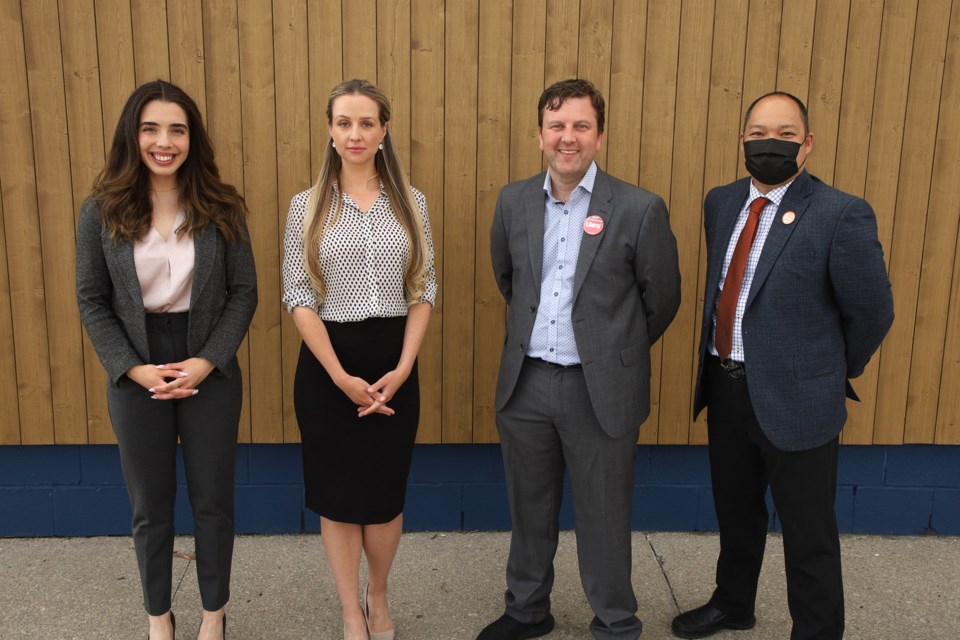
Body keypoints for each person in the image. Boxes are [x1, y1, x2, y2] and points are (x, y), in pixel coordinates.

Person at [672, 92, 894, 640]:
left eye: (786, 134)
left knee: (808, 532)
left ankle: (817, 631)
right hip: (727, 387)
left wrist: (828, 370)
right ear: (742, 140)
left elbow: (872, 311)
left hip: (801, 401)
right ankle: (733, 604)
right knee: (737, 515)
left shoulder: (841, 213)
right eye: (758, 132)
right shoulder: (721, 202)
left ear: (808, 143)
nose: (770, 143)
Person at [478, 78, 681, 640]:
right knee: (529, 510)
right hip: (526, 384)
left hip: (600, 391)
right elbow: (509, 279)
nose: (568, 138)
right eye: (557, 126)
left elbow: (660, 299)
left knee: (605, 516)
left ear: (599, 134)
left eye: (580, 126)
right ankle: (526, 610)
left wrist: (611, 352)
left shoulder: (639, 208)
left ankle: (616, 622)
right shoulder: (514, 201)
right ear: (540, 134)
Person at [76, 79, 257, 640]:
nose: (164, 141)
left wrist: (206, 361)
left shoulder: (221, 205)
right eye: (151, 128)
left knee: (212, 502)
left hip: (209, 365)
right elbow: (91, 298)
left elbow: (244, 291)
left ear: (191, 138)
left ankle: (213, 616)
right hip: (134, 367)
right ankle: (159, 617)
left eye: (176, 129)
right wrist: (133, 367)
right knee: (150, 508)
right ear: (133, 135)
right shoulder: (100, 211)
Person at [282, 79, 435, 640]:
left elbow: (424, 289)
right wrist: (341, 377)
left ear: (383, 130)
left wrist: (404, 366)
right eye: (344, 123)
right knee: (339, 498)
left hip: (395, 363)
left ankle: (379, 594)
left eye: (366, 123)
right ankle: (351, 609)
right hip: (330, 367)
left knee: (385, 494)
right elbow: (297, 294)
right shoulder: (307, 206)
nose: (355, 133)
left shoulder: (410, 202)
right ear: (329, 130)